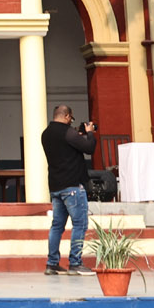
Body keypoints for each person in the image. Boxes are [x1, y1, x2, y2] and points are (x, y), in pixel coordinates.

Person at [41, 105, 97, 275]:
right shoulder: (67, 132)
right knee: (80, 224)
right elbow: (89, 148)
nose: (71, 122)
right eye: (71, 119)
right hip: (72, 186)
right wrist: (90, 133)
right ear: (66, 116)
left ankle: (52, 264)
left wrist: (77, 135)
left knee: (57, 226)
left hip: (55, 186)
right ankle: (75, 263)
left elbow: (64, 149)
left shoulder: (46, 134)